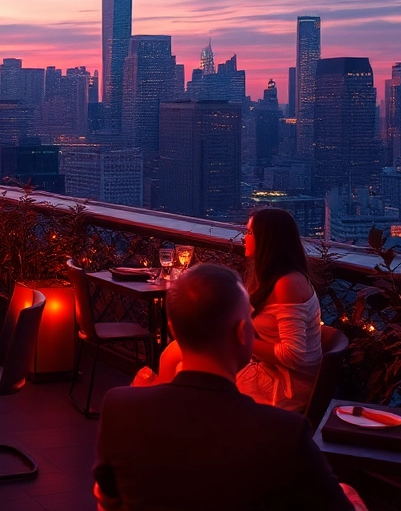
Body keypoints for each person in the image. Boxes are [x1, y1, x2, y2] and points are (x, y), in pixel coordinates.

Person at [94, 264, 357, 511]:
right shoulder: (285, 432)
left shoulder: (119, 407)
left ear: (173, 329)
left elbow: (107, 501)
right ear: (243, 332)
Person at [152, 208, 323, 412]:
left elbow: (294, 355)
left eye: (249, 233)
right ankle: (168, 413)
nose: (244, 238)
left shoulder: (288, 284)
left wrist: (238, 339)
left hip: (284, 386)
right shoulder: (271, 278)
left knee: (186, 369)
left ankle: (166, 415)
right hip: (268, 367)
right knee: (174, 352)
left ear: (267, 239)